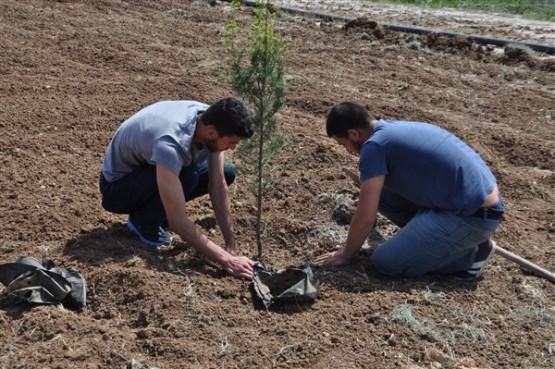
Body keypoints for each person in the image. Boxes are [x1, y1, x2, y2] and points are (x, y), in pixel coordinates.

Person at [315, 102, 504, 280]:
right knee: (381, 196)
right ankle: (433, 239)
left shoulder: (373, 147)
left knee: (385, 262)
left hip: (473, 216)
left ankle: (471, 255)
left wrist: (346, 254)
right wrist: (368, 202)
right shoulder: (392, 129)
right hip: (475, 200)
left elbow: (365, 218)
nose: (348, 151)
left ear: (354, 134)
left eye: (343, 144)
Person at [99, 97, 256, 279]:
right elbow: (177, 221)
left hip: (149, 168)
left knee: (227, 172)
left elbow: (218, 185)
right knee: (187, 175)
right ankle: (144, 222)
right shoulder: (171, 144)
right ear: (212, 133)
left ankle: (156, 208)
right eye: (231, 142)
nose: (233, 148)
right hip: (117, 188)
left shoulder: (209, 119)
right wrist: (226, 261)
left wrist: (230, 246)